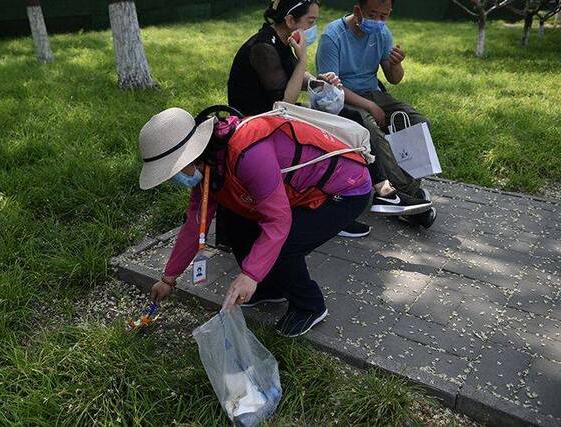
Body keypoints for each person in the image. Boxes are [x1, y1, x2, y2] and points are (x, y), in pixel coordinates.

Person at [137, 106, 372, 337]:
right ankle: (270, 288)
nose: (173, 178)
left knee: (284, 244)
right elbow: (194, 224)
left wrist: (250, 275)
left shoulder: (247, 153)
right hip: (301, 190)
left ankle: (309, 307)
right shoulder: (207, 167)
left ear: (191, 156)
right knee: (234, 219)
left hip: (344, 190)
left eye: (172, 171)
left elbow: (278, 221)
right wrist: (168, 279)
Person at [228, 0, 432, 237]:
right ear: (291, 20)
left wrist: (318, 81)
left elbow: (296, 77)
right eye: (311, 21)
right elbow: (283, 101)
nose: (314, 27)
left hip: (277, 115)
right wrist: (303, 57)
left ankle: (382, 192)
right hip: (260, 123)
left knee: (352, 119)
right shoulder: (263, 47)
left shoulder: (281, 40)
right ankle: (359, 203)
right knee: (344, 131)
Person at [316, 0, 437, 227]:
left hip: (374, 93)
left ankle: (408, 193)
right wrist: (370, 106)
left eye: (384, 16)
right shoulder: (333, 36)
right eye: (373, 14)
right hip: (341, 99)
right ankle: (403, 196)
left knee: (418, 122)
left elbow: (394, 78)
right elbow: (331, 88)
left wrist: (397, 64)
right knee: (371, 129)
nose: (379, 21)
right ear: (357, 11)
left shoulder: (382, 34)